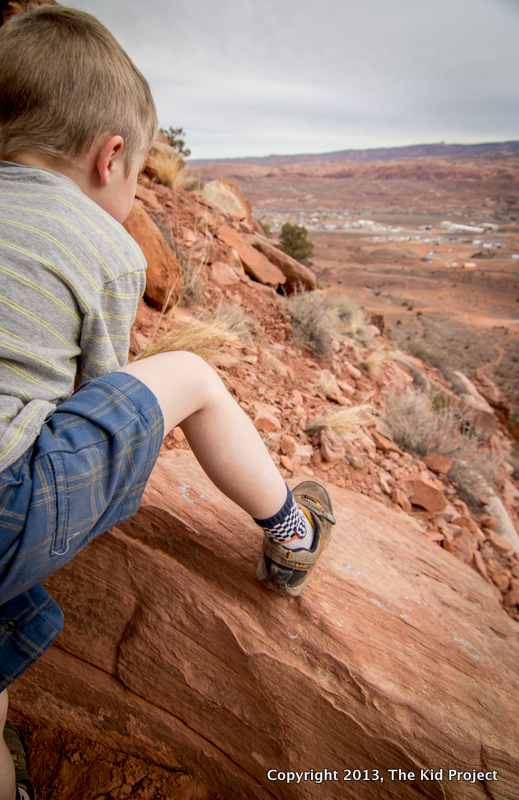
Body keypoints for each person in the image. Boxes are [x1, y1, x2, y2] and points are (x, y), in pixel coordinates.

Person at [0, 6, 335, 799]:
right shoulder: (103, 242)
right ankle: (292, 532)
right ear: (111, 157)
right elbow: (104, 391)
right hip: (10, 508)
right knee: (187, 373)